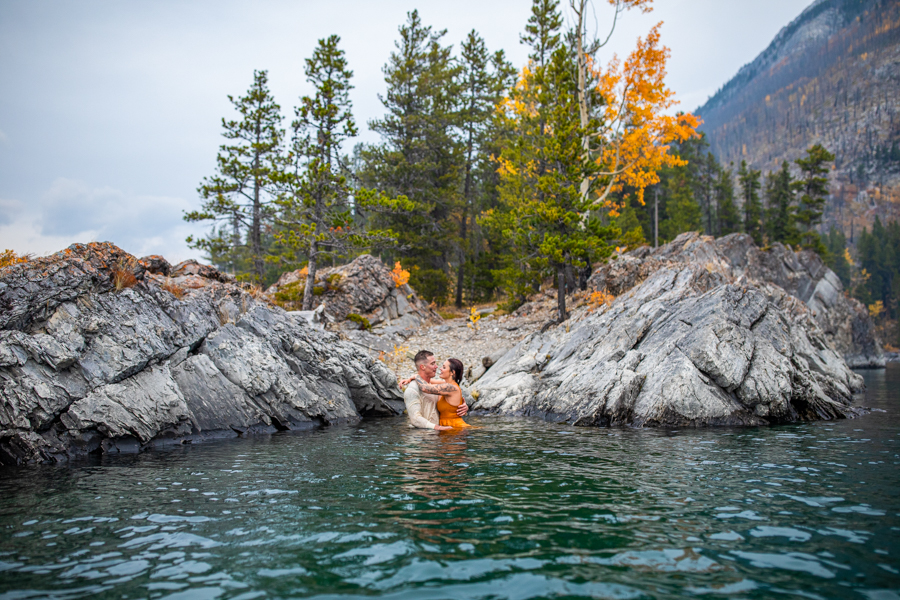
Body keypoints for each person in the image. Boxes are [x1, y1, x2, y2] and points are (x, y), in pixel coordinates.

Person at [401, 350, 467, 431]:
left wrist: (415, 376)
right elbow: (428, 382)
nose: (438, 367)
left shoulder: (448, 387)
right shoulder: (442, 385)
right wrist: (411, 378)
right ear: (423, 367)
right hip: (436, 433)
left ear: (452, 373)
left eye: (444, 367)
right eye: (433, 364)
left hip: (452, 428)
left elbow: (426, 387)